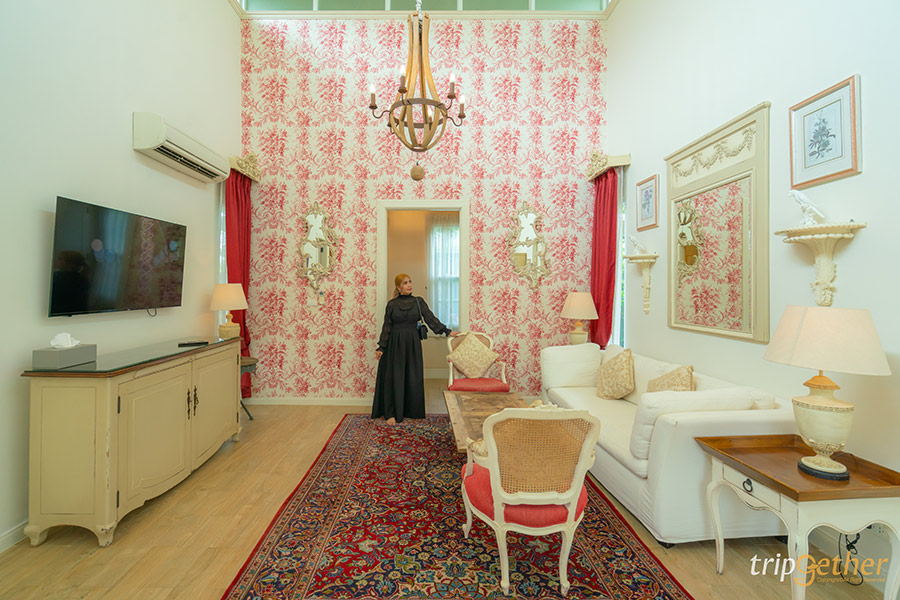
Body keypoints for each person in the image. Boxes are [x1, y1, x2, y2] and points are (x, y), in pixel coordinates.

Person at [372, 273, 458, 424]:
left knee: (413, 376)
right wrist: (381, 347)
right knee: (395, 377)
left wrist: (447, 331)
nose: (409, 285)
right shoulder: (391, 304)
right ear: (398, 287)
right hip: (395, 344)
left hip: (412, 343)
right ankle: (392, 413)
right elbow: (387, 326)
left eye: (410, 281)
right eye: (405, 283)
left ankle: (411, 411)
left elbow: (431, 319)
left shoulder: (419, 302)